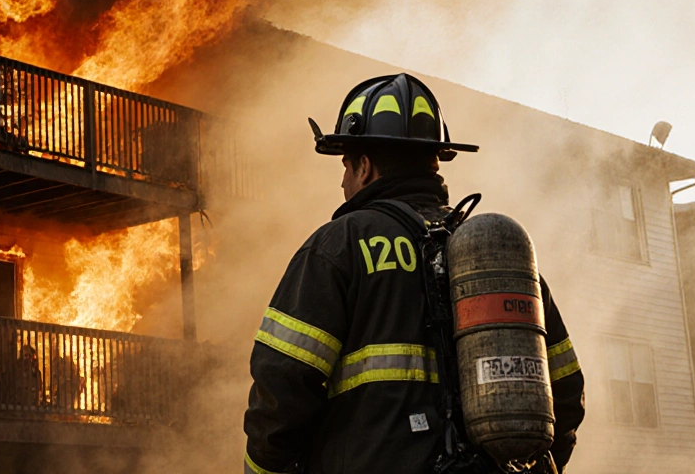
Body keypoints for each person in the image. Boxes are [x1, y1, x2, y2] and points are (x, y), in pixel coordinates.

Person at [243, 73, 585, 474]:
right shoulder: (497, 257)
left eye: (345, 167)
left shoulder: (339, 247)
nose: (342, 182)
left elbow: (281, 388)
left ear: (365, 167)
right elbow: (563, 391)